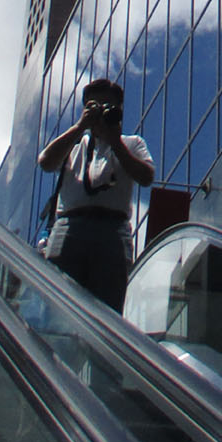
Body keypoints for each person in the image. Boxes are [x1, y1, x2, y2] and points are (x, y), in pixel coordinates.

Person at [38, 79, 154, 312]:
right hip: (70, 225)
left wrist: (115, 142)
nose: (101, 112)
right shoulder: (75, 143)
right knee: (58, 306)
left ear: (119, 111)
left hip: (113, 229)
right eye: (95, 106)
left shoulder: (132, 143)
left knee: (107, 309)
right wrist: (80, 127)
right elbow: (46, 162)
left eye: (108, 107)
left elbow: (146, 177)